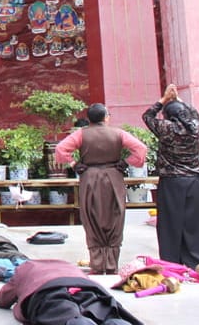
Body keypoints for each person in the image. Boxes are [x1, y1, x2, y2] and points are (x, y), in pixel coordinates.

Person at [54, 103, 148, 274]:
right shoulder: (118, 133)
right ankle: (112, 265)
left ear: (89, 119)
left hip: (90, 176)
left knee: (92, 216)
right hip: (114, 176)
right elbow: (141, 149)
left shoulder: (81, 134)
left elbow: (60, 149)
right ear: (106, 117)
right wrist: (126, 162)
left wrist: (74, 163)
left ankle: (97, 265)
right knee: (115, 215)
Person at [144, 84, 199, 272]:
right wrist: (177, 100)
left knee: (171, 223)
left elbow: (147, 117)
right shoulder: (196, 128)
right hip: (195, 180)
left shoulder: (166, 128)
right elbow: (193, 113)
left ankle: (173, 260)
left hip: (172, 181)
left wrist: (163, 100)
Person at [0, 259, 141, 324]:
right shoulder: (66, 264)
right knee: (105, 315)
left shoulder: (25, 267)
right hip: (88, 290)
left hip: (50, 292)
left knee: (69, 316)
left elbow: (2, 300)